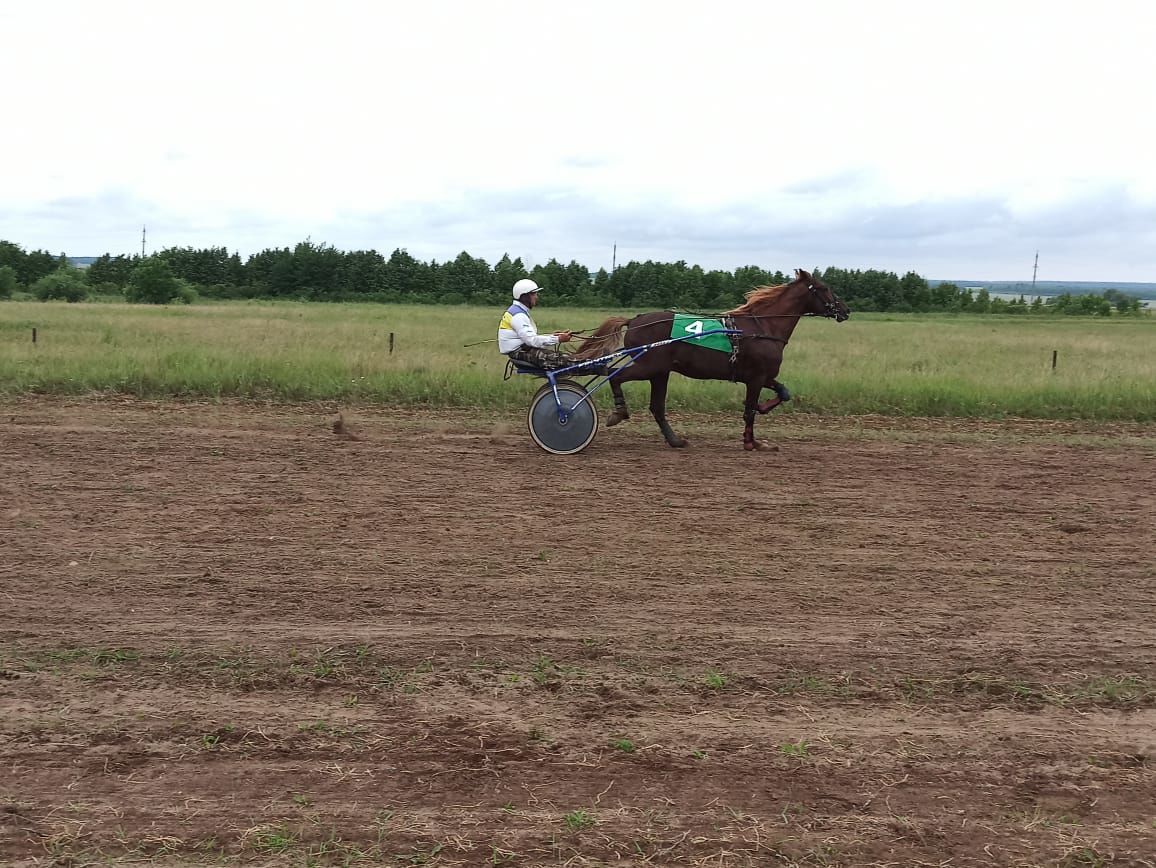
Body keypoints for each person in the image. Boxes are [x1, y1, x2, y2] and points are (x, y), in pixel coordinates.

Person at [497, 278, 574, 369]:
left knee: (566, 358)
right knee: (568, 360)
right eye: (533, 294)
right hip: (520, 353)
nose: (536, 297)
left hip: (523, 350)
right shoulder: (518, 315)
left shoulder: (516, 311)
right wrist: (558, 339)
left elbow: (529, 338)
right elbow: (532, 340)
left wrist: (553, 336)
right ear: (524, 296)